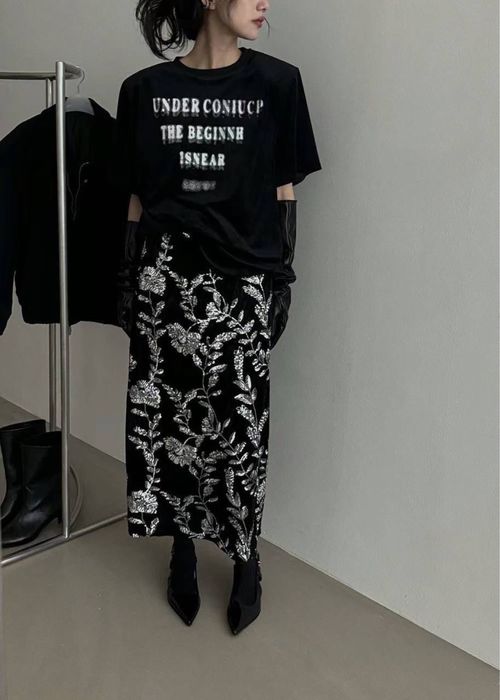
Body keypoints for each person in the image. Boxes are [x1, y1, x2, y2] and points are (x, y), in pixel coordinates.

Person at [112, 0, 322, 635]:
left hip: (241, 280)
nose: (265, 3)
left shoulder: (278, 84)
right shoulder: (144, 91)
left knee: (240, 430)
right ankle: (181, 546)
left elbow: (283, 189)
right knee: (167, 425)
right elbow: (137, 195)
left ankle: (245, 554)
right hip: (166, 280)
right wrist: (128, 277)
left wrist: (281, 279)